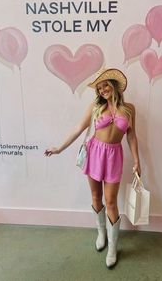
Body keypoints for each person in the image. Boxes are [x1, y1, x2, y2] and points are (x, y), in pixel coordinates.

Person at [44, 68, 141, 268]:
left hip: (114, 156)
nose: (103, 89)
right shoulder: (95, 107)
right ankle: (101, 233)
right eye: (99, 87)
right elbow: (78, 128)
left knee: (111, 201)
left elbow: (131, 135)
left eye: (105, 85)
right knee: (96, 197)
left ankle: (113, 248)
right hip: (95, 153)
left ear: (114, 85)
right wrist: (60, 148)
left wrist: (138, 161)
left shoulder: (130, 109)